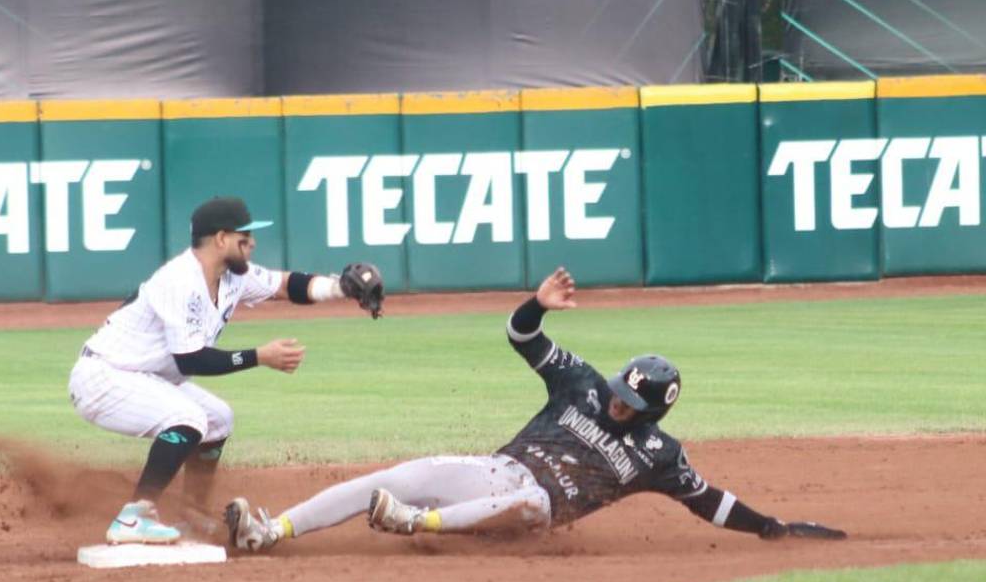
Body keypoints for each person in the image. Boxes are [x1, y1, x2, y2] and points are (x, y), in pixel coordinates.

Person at [225, 267, 846, 552]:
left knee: (535, 502)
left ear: (652, 412)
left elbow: (711, 502)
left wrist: (770, 526)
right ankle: (270, 531)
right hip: (492, 471)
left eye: (630, 403)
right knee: (394, 477)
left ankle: (416, 524)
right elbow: (523, 337)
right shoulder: (581, 383)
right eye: (619, 392)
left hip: (530, 511)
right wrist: (538, 303)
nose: (616, 403)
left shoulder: (661, 454)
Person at [69, 195, 383, 546]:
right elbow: (192, 361)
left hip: (145, 377)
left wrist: (339, 287)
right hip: (104, 378)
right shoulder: (179, 280)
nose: (252, 244)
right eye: (244, 237)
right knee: (187, 417)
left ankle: (191, 514)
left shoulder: (233, 276)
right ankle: (134, 517)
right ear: (221, 239)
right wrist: (259, 356)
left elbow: (285, 284)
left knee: (217, 418)